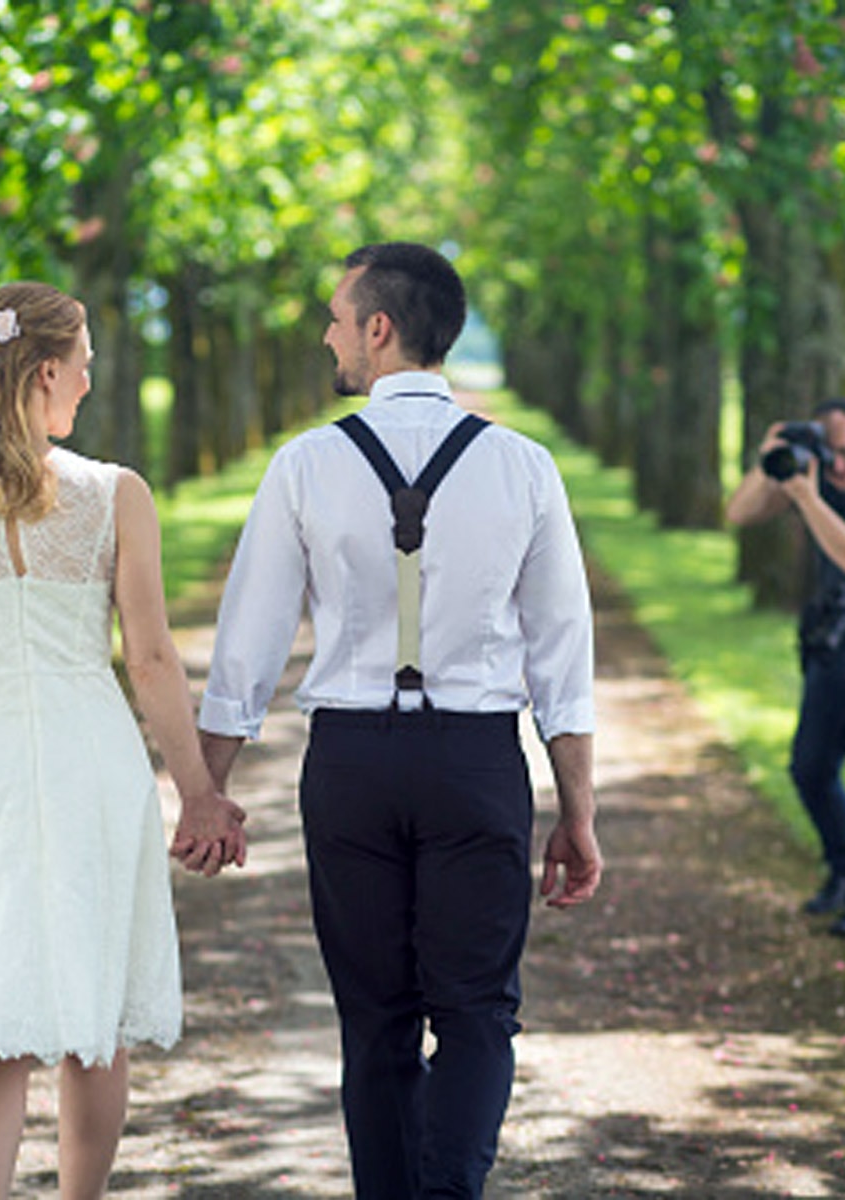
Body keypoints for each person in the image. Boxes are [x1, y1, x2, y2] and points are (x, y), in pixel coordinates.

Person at [180, 242, 603, 1199]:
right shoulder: (524, 468)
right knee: (478, 1013)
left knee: (373, 1017)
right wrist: (577, 811)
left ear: (380, 328)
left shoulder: (307, 465)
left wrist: (208, 792)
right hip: (474, 763)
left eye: (337, 317)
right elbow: (561, 661)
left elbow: (246, 652)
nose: (327, 335)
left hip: (351, 767)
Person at [0, 281, 246, 1200]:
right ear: (45, 371)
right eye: (82, 365)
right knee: (93, 1008)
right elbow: (150, 660)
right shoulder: (117, 494)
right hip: (90, 758)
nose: (87, 381)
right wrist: (198, 791)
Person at [726, 398, 845, 939]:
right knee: (809, 767)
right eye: (828, 454)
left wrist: (806, 494)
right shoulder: (818, 479)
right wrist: (772, 464)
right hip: (834, 645)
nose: (839, 466)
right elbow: (739, 513)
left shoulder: (832, 489)